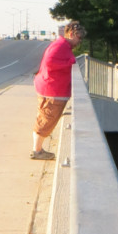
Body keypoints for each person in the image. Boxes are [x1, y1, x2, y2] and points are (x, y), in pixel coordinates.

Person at [30, 21, 85, 159]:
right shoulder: (61, 46)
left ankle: (38, 149)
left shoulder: (62, 45)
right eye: (79, 37)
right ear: (71, 34)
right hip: (52, 91)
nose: (80, 41)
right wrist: (70, 63)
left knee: (44, 118)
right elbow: (50, 63)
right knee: (47, 119)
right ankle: (37, 151)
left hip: (51, 89)